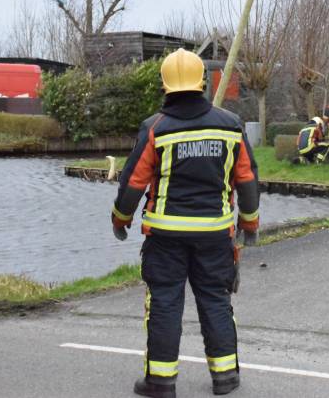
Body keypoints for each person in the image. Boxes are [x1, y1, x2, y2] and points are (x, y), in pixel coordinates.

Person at [111, 49, 260, 398]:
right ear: (203, 83)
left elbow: (133, 182)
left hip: (165, 237)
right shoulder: (231, 125)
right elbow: (247, 180)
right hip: (215, 235)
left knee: (164, 302)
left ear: (164, 85)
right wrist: (249, 224)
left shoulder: (155, 129)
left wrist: (120, 219)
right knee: (214, 300)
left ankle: (160, 382)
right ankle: (225, 377)